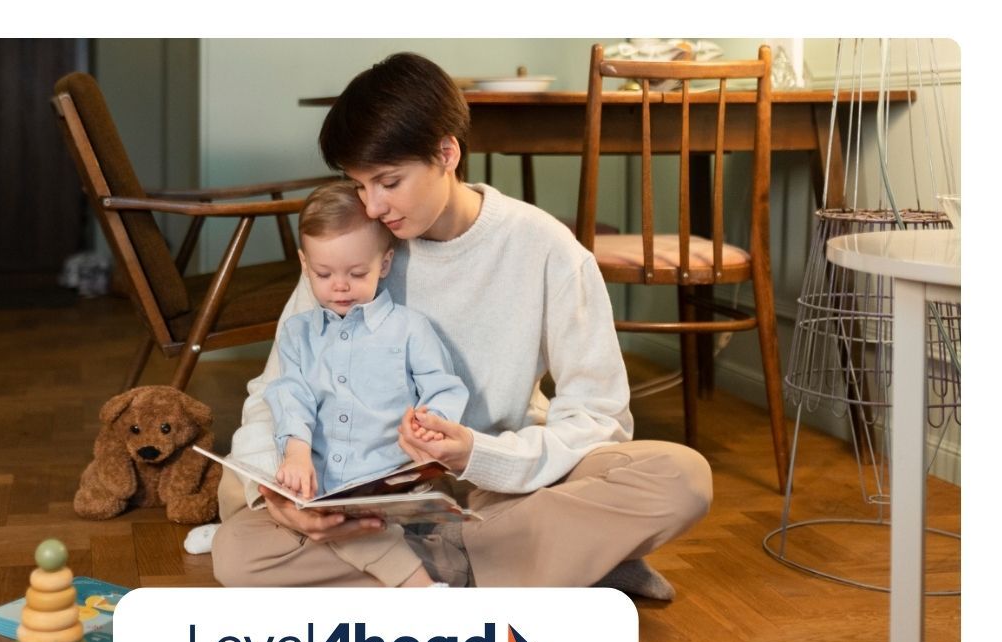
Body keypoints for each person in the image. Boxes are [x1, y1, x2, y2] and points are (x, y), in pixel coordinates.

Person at [212, 51, 712, 594]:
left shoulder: (545, 249)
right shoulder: (357, 251)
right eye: (358, 185)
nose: (373, 206)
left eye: (388, 181)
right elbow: (276, 388)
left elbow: (598, 414)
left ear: (447, 153)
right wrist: (282, 498)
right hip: (380, 500)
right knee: (239, 551)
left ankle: (443, 572)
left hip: (505, 482)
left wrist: (479, 453)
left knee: (681, 478)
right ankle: (545, 564)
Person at [266, 180, 469, 502]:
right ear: (305, 265)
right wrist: (296, 453)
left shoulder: (410, 329)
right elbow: (291, 396)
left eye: (357, 274)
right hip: (318, 482)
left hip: (394, 481)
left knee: (392, 536)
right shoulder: (297, 333)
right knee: (248, 538)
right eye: (323, 274)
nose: (340, 287)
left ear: (384, 264)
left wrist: (432, 423)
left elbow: (443, 387)